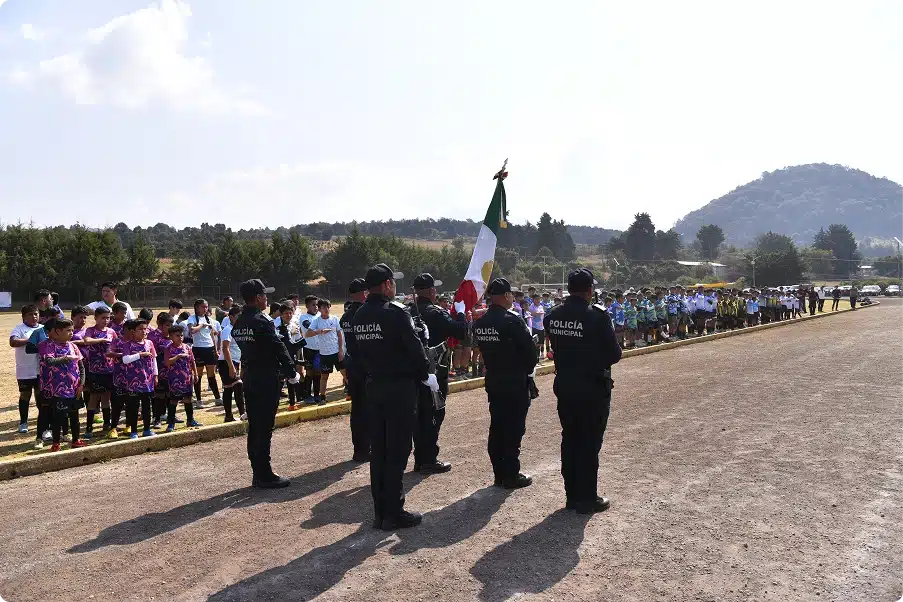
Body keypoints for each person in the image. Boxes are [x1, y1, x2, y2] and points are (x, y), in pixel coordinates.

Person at [352, 263, 429, 530]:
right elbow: (415, 348)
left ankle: (380, 512)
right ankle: (393, 512)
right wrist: (424, 374)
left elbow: (357, 355)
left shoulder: (359, 315)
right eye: (392, 282)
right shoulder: (396, 313)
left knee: (380, 450)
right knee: (397, 449)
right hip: (399, 388)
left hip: (374, 387)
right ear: (386, 284)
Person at [544, 268, 622, 514]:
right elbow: (614, 354)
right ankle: (587, 497)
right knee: (589, 441)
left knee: (570, 438)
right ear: (590, 290)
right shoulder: (597, 316)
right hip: (592, 386)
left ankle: (572, 495)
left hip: (565, 384)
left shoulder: (552, 316)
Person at [232, 279, 300, 488]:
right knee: (264, 428)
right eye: (264, 295)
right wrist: (292, 372)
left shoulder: (240, 320)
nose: (267, 298)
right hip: (265, 378)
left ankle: (257, 471)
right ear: (259, 297)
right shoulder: (262, 321)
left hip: (250, 376)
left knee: (255, 427)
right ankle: (264, 474)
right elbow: (278, 347)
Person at [473, 278, 538, 489]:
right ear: (506, 296)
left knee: (498, 426)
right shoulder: (512, 321)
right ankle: (510, 474)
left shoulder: (481, 322)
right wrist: (527, 370)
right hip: (514, 380)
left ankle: (499, 473)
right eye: (510, 294)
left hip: (494, 378)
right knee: (513, 428)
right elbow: (530, 353)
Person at [408, 273, 470, 474]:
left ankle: (420, 458)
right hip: (436, 372)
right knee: (434, 414)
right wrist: (460, 313)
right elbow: (461, 331)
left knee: (418, 416)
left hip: (414, 373)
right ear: (431, 291)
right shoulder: (436, 313)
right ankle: (428, 459)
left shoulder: (407, 311)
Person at [37, 318, 85, 452]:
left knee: (74, 416)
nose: (71, 333)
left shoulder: (73, 346)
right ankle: (56, 443)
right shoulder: (50, 346)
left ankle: (76, 440)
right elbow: (50, 361)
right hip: (58, 389)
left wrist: (81, 384)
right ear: (58, 331)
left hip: (74, 388)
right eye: (68, 330)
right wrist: (66, 358)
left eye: (72, 330)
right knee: (58, 417)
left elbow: (81, 367)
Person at [340, 278, 370, 462]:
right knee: (368, 409)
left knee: (357, 409)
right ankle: (367, 448)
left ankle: (359, 449)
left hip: (353, 365)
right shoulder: (363, 314)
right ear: (362, 293)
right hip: (366, 365)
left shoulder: (345, 316)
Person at [118, 319, 157, 439]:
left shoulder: (149, 343)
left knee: (147, 405)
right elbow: (125, 359)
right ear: (133, 331)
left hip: (147, 381)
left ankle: (147, 429)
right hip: (133, 381)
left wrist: (155, 375)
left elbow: (154, 359)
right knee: (133, 407)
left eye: (145, 329)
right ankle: (133, 431)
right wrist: (140, 355)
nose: (144, 331)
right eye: (141, 329)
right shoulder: (127, 344)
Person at [10, 304, 42, 437]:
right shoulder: (19, 329)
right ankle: (23, 422)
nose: (34, 317)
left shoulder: (43, 329)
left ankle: (44, 423)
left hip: (41, 370)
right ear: (23, 317)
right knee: (25, 396)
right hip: (24, 370)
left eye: (36, 314)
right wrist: (30, 340)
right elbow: (13, 342)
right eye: (30, 314)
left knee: (41, 397)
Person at [307, 299, 344, 406]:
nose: (326, 309)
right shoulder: (317, 321)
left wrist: (341, 350)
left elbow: (339, 335)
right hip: (324, 354)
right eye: (323, 307)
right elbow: (307, 334)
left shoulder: (335, 319)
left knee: (345, 373)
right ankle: (322, 397)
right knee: (324, 377)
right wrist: (319, 331)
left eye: (327, 307)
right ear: (319, 309)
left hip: (336, 352)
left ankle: (352, 393)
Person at [185, 299, 222, 408]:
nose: (205, 309)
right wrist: (202, 325)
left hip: (209, 348)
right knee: (198, 376)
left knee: (212, 375)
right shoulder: (192, 318)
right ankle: (199, 400)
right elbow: (191, 330)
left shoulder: (209, 319)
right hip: (198, 349)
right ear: (197, 307)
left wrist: (215, 349)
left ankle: (217, 398)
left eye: (206, 307)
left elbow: (214, 334)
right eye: (203, 307)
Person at [164, 326, 202, 431]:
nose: (180, 338)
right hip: (174, 379)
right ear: (171, 336)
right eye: (177, 336)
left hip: (186, 378)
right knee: (174, 400)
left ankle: (190, 420)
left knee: (188, 399)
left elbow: (192, 361)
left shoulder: (187, 347)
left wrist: (195, 374)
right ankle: (171, 423)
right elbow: (167, 362)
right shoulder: (168, 348)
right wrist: (177, 357)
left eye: (181, 335)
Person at [219, 305, 246, 422]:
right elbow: (225, 348)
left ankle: (229, 416)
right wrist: (231, 367)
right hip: (227, 362)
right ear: (231, 317)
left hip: (236, 361)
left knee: (229, 389)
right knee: (238, 386)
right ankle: (242, 414)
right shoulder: (228, 329)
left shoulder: (239, 329)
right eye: (238, 316)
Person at [298, 295, 322, 403]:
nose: (316, 307)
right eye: (313, 305)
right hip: (308, 349)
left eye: (317, 305)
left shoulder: (320, 316)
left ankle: (317, 394)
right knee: (309, 372)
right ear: (307, 306)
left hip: (319, 349)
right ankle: (307, 395)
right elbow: (309, 326)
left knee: (318, 372)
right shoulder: (304, 317)